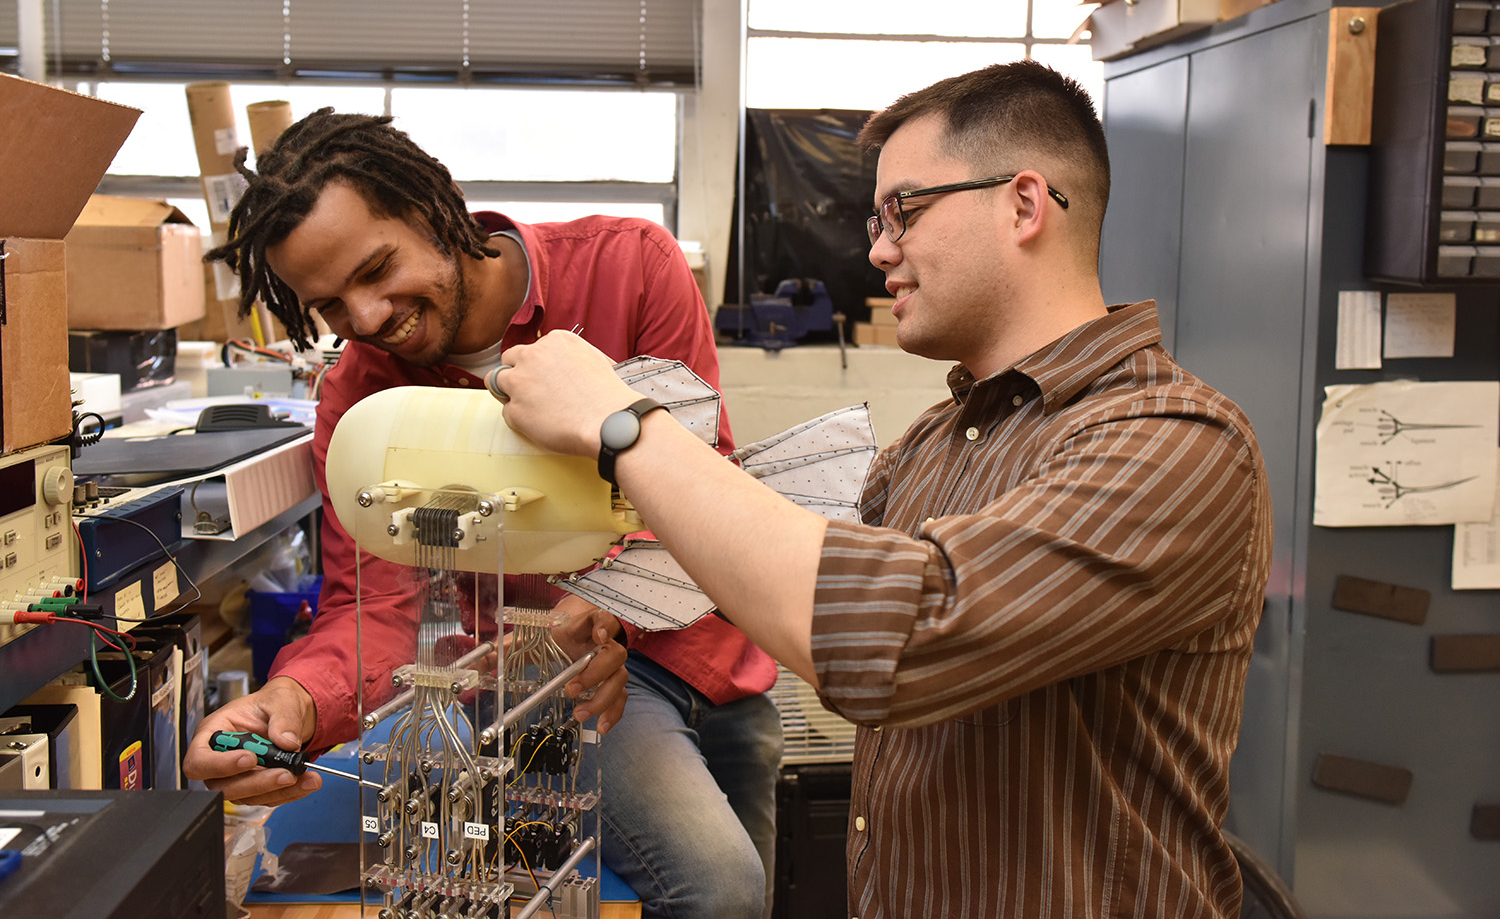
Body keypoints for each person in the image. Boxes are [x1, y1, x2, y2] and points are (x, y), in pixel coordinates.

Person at [490, 61, 1275, 918]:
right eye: (875, 219)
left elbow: (893, 638)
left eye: (903, 210)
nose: (877, 249)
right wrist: (608, 607)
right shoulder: (933, 444)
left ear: (1023, 203)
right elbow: (772, 572)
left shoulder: (1178, 444)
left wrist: (622, 422)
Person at [180, 110, 782, 919]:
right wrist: (292, 702)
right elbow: (379, 603)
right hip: (548, 684)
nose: (363, 318)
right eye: (328, 306)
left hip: (711, 651)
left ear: (440, 210)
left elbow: (697, 480)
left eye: (378, 269)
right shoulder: (362, 396)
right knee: (720, 889)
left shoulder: (630, 268)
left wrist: (606, 607)